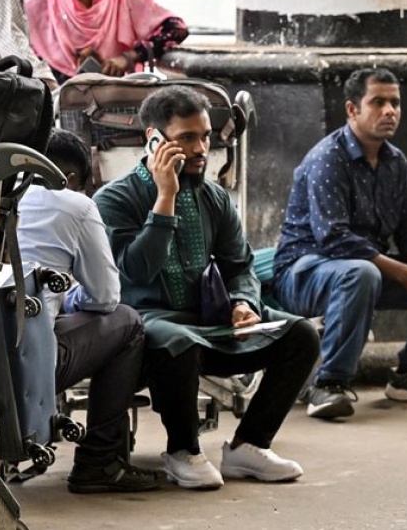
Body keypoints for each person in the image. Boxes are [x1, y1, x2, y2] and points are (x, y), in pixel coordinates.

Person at [94, 86, 319, 490]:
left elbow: (239, 266)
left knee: (301, 335)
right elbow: (137, 272)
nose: (202, 149)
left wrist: (243, 302)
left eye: (205, 137)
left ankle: (248, 446)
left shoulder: (214, 197)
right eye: (187, 138)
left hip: (208, 323)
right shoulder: (116, 199)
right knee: (177, 338)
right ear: (154, 140)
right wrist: (165, 199)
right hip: (149, 327)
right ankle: (183, 450)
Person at [273, 68, 407, 419]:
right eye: (377, 102)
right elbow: (334, 239)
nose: (389, 111)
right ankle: (328, 384)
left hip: (368, 272)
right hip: (305, 273)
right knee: (361, 273)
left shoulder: (395, 161)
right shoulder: (327, 158)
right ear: (352, 109)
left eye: (395, 103)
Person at [17, 129, 160, 493]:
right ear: (73, 178)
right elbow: (106, 298)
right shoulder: (75, 204)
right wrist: (69, 298)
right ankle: (100, 460)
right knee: (127, 322)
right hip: (28, 364)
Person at [24, 0, 188, 83]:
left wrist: (128, 57)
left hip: (114, 105)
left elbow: (176, 29)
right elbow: (22, 54)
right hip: (55, 107)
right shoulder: (38, 3)